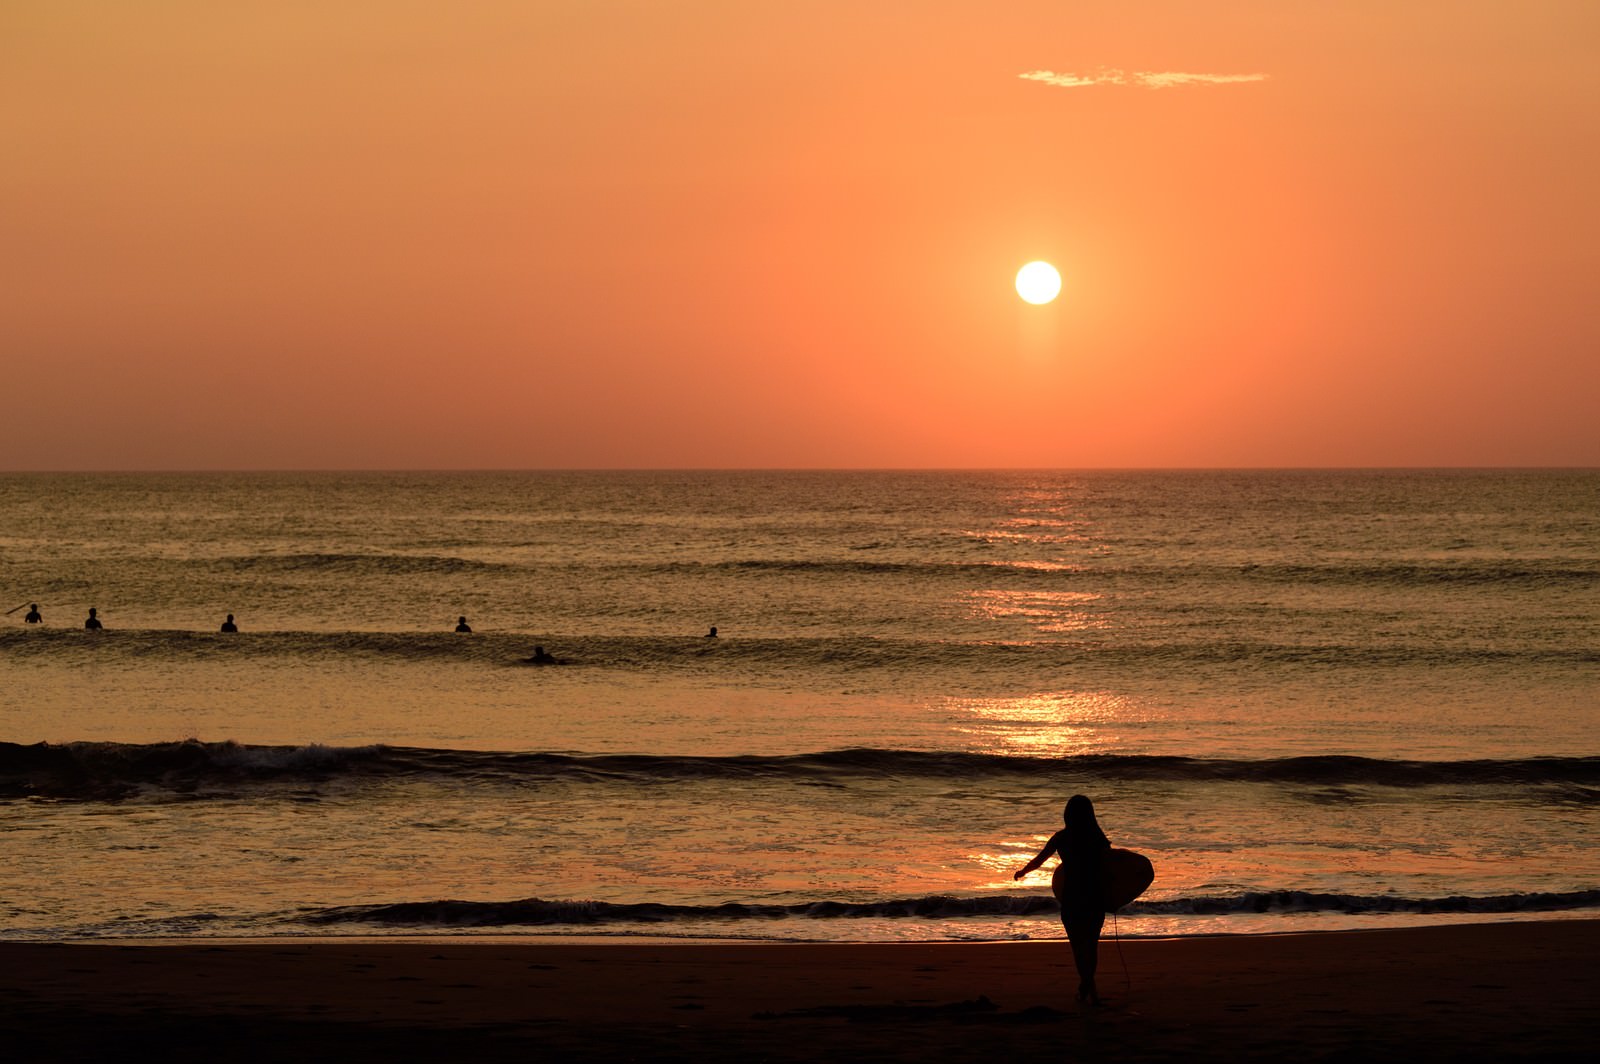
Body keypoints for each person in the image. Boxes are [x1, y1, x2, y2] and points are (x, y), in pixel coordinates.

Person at [1014, 794, 1112, 1005]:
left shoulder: (1062, 837)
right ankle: (1090, 990)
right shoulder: (1097, 837)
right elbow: (1110, 866)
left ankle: (1086, 987)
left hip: (1072, 897)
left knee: (1078, 946)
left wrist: (1023, 871)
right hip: (1094, 896)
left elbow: (1039, 860)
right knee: (1091, 945)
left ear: (1067, 814)